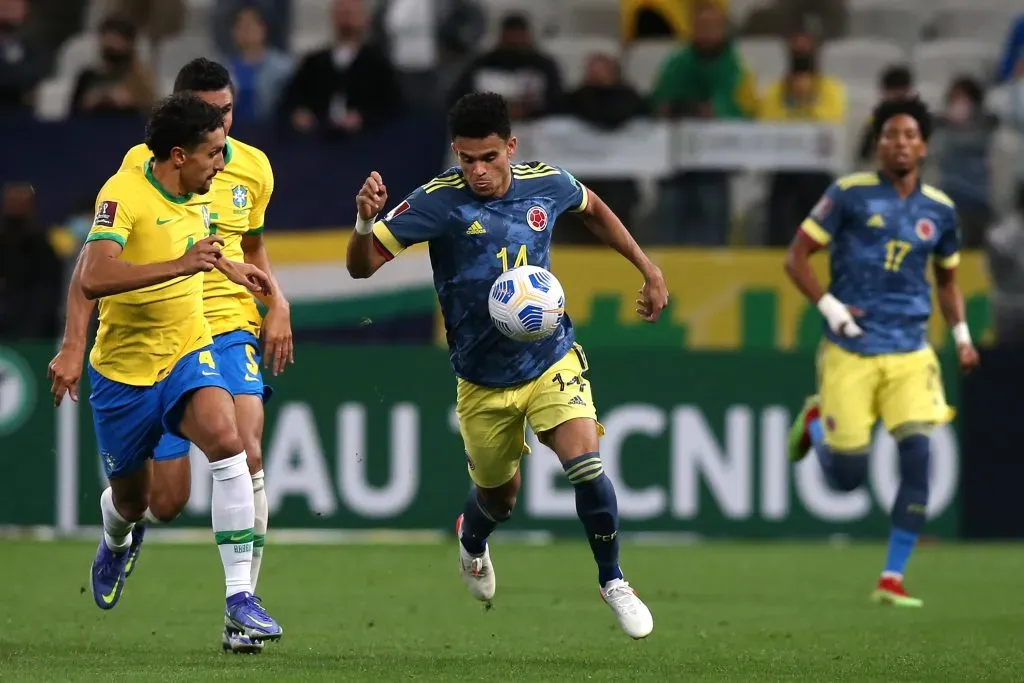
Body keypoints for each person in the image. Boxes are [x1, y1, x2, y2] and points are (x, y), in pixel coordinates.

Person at [346, 92, 668, 639]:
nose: (479, 171)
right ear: (456, 154)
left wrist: (647, 267)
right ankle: (472, 541)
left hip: (549, 357)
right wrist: (362, 222)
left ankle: (613, 579)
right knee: (500, 497)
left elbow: (593, 209)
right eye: (468, 159)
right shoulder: (434, 201)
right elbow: (360, 268)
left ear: (511, 148)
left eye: (489, 157)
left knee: (585, 461)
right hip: (481, 380)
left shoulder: (546, 181)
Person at [48, 58, 290, 655]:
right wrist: (74, 347)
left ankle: (240, 600)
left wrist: (241, 275)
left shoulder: (210, 186)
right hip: (125, 367)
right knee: (147, 502)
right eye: (210, 149)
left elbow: (216, 246)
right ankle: (117, 536)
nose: (222, 156)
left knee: (231, 443)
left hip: (190, 344)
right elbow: (93, 273)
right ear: (179, 154)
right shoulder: (126, 187)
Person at [783, 97, 980, 607]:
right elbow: (797, 257)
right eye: (891, 135)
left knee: (918, 455)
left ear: (925, 145)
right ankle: (815, 426)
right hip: (851, 348)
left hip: (912, 351)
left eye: (910, 135)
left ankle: (892, 577)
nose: (901, 143)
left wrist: (961, 336)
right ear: (878, 142)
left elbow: (948, 281)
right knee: (848, 479)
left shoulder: (939, 210)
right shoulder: (848, 195)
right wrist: (832, 309)